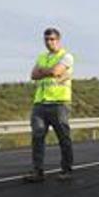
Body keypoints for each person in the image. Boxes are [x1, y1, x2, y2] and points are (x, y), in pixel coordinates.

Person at [25, 27, 74, 183]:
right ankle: (37, 172)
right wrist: (49, 71)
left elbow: (56, 72)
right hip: (40, 103)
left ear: (58, 40)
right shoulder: (41, 56)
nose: (49, 42)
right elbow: (33, 75)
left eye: (52, 39)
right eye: (46, 39)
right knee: (37, 137)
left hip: (59, 104)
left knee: (63, 138)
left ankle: (66, 170)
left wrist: (44, 71)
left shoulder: (66, 56)